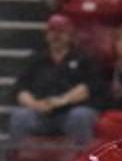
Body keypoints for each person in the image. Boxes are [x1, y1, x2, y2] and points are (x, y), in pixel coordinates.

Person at [8, 14, 100, 149]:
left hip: (70, 111)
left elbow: (90, 87)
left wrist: (62, 101)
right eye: (52, 32)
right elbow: (20, 89)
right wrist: (35, 104)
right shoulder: (36, 60)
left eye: (61, 32)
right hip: (40, 111)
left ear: (70, 35)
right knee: (19, 116)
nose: (56, 36)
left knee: (81, 116)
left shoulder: (83, 59)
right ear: (46, 35)